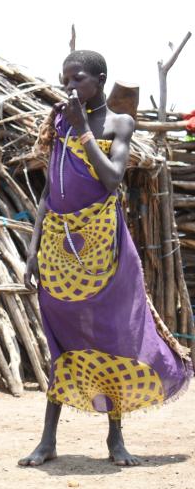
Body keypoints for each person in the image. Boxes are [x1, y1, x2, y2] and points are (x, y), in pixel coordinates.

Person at [20, 50, 192, 467]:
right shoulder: (58, 122)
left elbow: (113, 177)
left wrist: (82, 131)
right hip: (59, 247)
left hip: (103, 246)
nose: (69, 87)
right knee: (59, 337)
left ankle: (115, 438)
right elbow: (49, 192)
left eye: (77, 79)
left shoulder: (118, 123)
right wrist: (33, 249)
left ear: (99, 79)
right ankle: (48, 440)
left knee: (110, 336)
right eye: (65, 79)